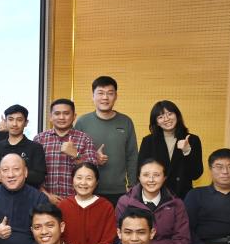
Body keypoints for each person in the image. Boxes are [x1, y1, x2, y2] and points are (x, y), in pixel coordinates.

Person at [115, 158, 191, 244]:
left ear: (164, 177)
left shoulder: (176, 204)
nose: (151, 180)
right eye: (146, 175)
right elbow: (120, 234)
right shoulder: (125, 202)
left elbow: (182, 239)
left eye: (156, 175)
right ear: (139, 177)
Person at [74, 76, 138, 206]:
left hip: (119, 190)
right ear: (93, 96)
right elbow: (74, 156)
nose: (105, 97)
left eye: (110, 93)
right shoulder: (82, 122)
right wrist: (93, 158)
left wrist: (132, 185)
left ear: (116, 96)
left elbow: (132, 156)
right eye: (100, 93)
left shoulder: (126, 121)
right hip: (88, 189)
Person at [0, 153, 51, 244]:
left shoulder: (39, 199)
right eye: (5, 170)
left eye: (16, 169)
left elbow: (46, 234)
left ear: (25, 172)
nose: (10, 175)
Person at [34, 98, 97, 203]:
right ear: (50, 117)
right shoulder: (39, 139)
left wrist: (76, 155)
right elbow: (32, 172)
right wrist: (46, 195)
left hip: (77, 201)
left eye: (66, 113)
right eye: (57, 113)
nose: (62, 117)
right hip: (45, 200)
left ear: (74, 116)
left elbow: (93, 171)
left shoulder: (85, 139)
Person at [138, 100, 203, 198]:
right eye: (160, 117)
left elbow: (196, 174)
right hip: (156, 195)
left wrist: (187, 151)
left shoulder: (192, 140)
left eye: (170, 114)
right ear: (156, 122)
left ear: (177, 115)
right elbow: (141, 171)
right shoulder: (148, 141)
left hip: (182, 195)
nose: (166, 119)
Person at [59, 162, 116, 244]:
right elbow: (58, 236)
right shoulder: (63, 205)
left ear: (96, 182)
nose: (83, 183)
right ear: (72, 180)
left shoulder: (106, 207)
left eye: (89, 178)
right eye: (79, 178)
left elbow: (108, 238)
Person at [0, 105, 47, 189]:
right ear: (5, 121)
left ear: (26, 123)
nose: (14, 124)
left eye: (19, 120)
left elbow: (39, 177)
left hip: (29, 194)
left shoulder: (35, 148)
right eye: (10, 119)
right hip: (1, 195)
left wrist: (13, 173)